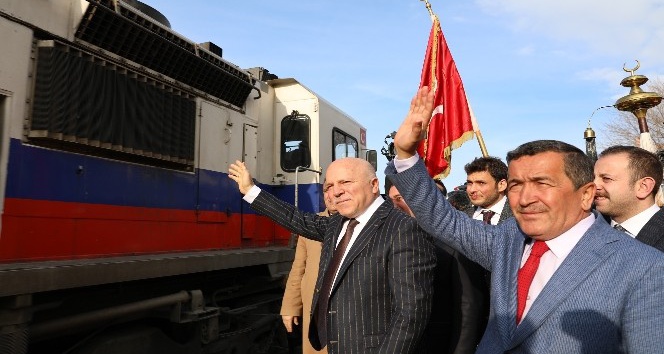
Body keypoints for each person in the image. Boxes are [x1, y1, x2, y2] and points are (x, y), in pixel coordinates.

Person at [386, 86, 664, 353]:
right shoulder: (506, 240)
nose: (525, 197)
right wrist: (406, 154)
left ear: (586, 194)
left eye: (542, 183)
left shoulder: (643, 267)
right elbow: (442, 219)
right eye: (517, 184)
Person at [229, 158, 435, 354]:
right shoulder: (337, 224)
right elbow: (296, 218)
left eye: (345, 182)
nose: (336, 192)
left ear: (374, 185)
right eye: (329, 186)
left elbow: (411, 313)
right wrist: (250, 190)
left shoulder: (403, 228)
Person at [389, 183, 488, 354]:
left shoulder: (455, 244)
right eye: (390, 200)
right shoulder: (389, 241)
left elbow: (468, 309)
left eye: (399, 198)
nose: (395, 206)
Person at [281, 196, 337, 354]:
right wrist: (290, 307)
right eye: (327, 188)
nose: (332, 194)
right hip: (316, 311)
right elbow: (298, 268)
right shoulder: (310, 225)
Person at [593, 145, 664, 251]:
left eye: (606, 178)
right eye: (593, 178)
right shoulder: (589, 229)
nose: (593, 185)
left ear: (643, 187)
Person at [464, 157, 513, 224]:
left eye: (481, 183)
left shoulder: (522, 214)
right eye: (469, 183)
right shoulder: (461, 218)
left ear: (501, 185)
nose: (472, 190)